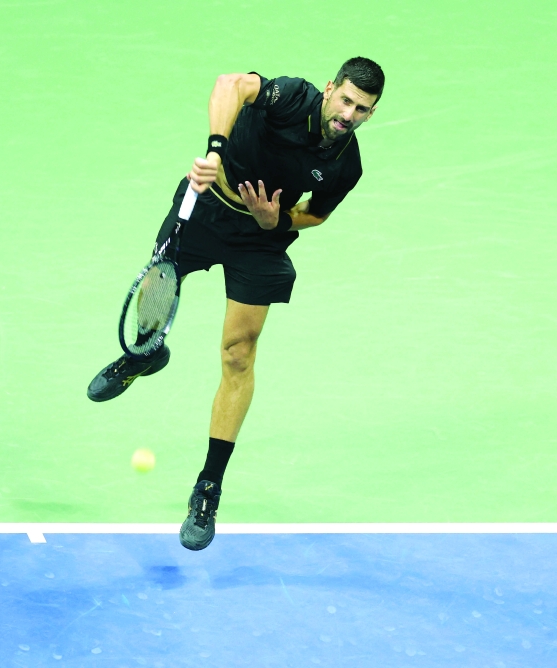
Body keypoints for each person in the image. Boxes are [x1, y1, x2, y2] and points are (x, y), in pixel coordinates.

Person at [88, 57, 385, 550]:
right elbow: (229, 85)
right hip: (207, 204)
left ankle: (208, 488)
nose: (349, 115)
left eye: (363, 110)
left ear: (371, 115)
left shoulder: (345, 165)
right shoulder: (289, 96)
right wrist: (214, 152)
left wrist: (277, 222)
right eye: (346, 101)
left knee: (238, 354)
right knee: (158, 286)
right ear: (330, 89)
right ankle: (146, 352)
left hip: (260, 237)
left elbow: (315, 214)